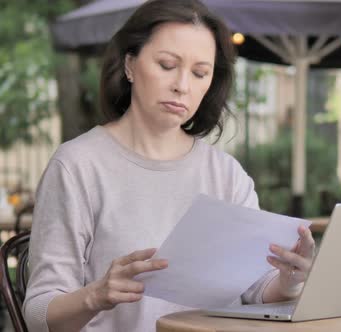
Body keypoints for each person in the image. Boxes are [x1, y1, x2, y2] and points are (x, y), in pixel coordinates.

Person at [23, 1, 315, 331]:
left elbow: (254, 291)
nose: (182, 85)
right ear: (129, 64)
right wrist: (96, 295)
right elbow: (38, 313)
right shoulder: (77, 166)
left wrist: (289, 281)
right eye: (166, 65)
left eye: (199, 73)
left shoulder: (227, 174)